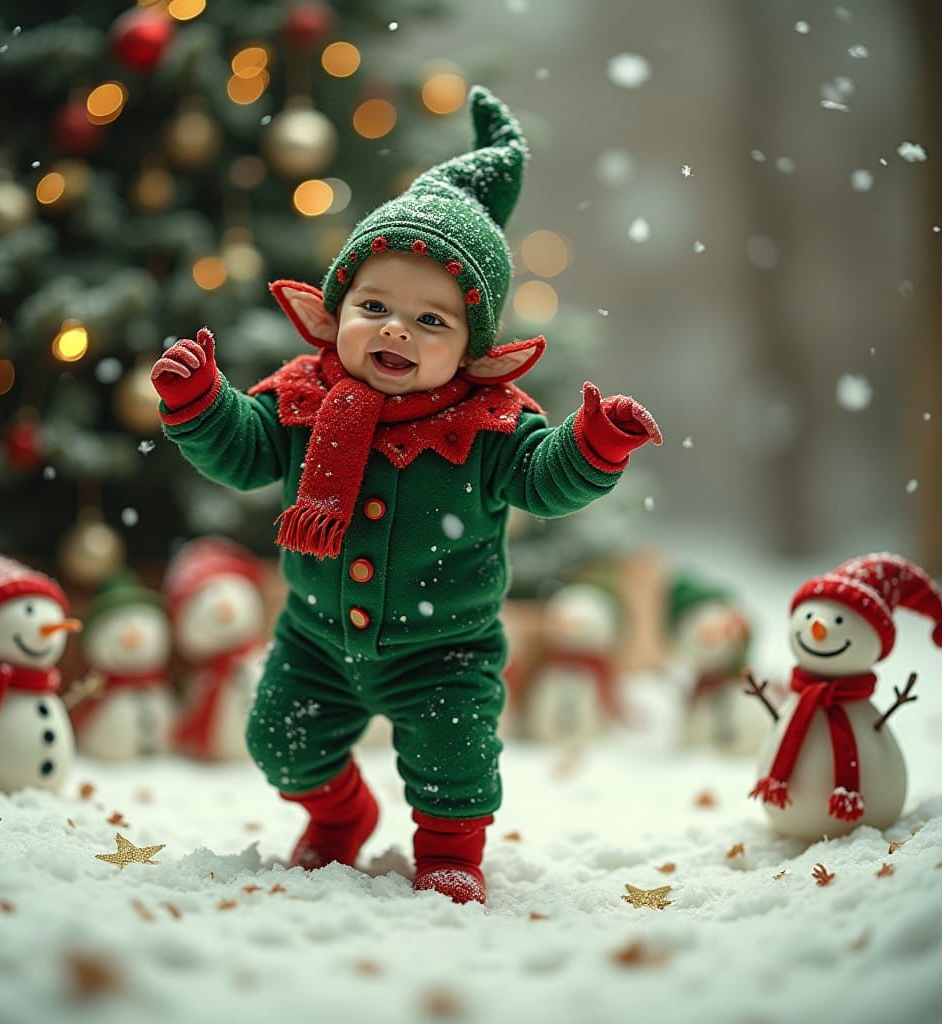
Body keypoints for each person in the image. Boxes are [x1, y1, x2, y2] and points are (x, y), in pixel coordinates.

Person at [151, 86, 661, 905]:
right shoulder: (301, 397)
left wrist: (593, 443)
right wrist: (201, 402)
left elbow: (544, 478)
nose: (396, 330)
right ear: (337, 309)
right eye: (376, 306)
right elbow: (245, 452)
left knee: (455, 758)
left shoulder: (488, 424)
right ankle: (337, 815)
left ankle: (451, 849)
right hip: (315, 634)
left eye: (431, 322)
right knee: (280, 740)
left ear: (472, 348)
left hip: (443, 649)